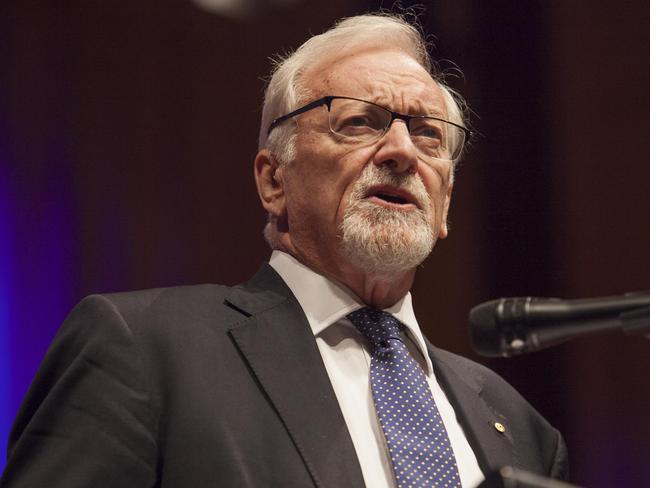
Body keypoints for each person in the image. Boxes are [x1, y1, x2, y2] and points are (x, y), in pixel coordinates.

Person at [1, 13, 567, 488]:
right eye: (359, 121)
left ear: (445, 202)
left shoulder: (520, 426)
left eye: (428, 135)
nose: (401, 151)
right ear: (274, 180)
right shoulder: (144, 350)